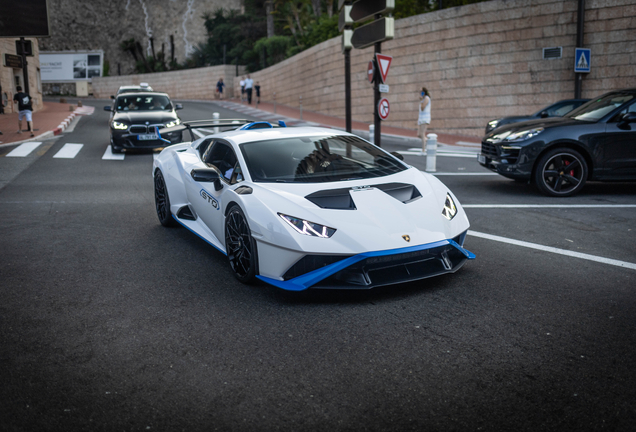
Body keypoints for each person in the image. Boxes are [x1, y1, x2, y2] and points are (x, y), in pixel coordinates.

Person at [418, 87, 431, 152]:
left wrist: (420, 100)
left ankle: (423, 150)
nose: (420, 93)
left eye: (421, 92)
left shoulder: (426, 98)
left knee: (422, 133)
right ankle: (430, 140)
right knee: (419, 135)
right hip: (421, 118)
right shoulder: (423, 99)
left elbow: (423, 108)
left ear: (424, 92)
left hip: (425, 118)